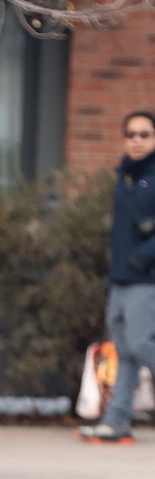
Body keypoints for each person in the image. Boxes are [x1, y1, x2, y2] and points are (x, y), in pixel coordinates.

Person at [79, 109, 155, 444]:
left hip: (146, 279)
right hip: (120, 279)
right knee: (124, 350)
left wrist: (142, 258)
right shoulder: (124, 177)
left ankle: (117, 419)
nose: (137, 141)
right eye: (131, 135)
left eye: (145, 134)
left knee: (142, 344)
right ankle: (117, 421)